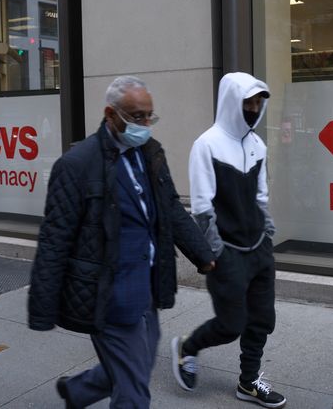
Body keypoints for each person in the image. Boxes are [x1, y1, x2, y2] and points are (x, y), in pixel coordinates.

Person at [28, 75, 215, 409]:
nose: (144, 125)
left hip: (148, 287)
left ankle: (78, 391)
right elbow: (54, 239)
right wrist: (43, 308)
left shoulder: (150, 153)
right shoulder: (77, 165)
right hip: (108, 294)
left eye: (149, 116)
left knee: (139, 363)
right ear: (110, 114)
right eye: (136, 116)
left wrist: (203, 254)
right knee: (134, 392)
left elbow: (171, 208)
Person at [171, 72, 286, 408]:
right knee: (231, 324)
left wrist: (267, 234)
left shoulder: (257, 145)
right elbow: (202, 206)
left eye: (258, 103)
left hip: (259, 248)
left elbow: (261, 196)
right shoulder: (207, 144)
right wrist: (215, 252)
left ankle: (248, 382)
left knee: (262, 319)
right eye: (247, 103)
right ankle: (187, 348)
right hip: (227, 251)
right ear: (231, 102)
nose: (253, 109)